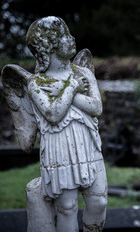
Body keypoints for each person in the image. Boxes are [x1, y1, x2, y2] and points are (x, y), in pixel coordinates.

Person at [26, 16, 107, 232]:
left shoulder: (83, 73)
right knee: (67, 207)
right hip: (58, 147)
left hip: (88, 143)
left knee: (99, 202)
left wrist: (68, 95)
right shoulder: (37, 83)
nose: (72, 38)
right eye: (65, 35)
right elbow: (53, 114)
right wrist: (71, 88)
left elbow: (96, 107)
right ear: (49, 46)